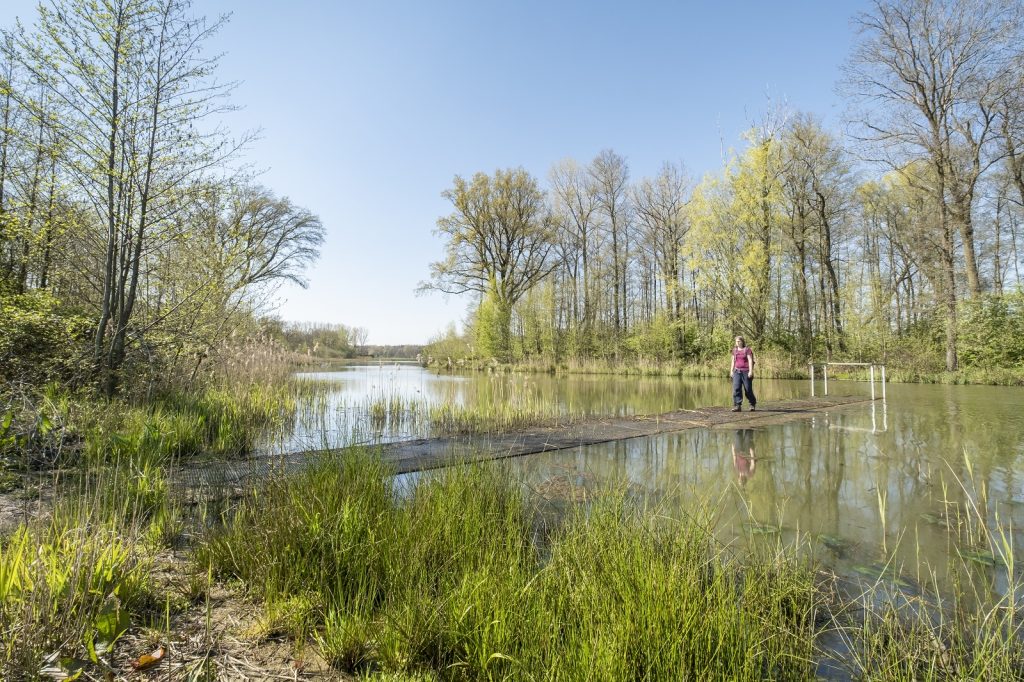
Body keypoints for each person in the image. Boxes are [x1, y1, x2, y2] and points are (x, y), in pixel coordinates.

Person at [729, 335, 756, 412]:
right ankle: (737, 406)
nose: (737, 343)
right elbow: (733, 361)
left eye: (739, 341)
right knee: (736, 388)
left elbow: (750, 360)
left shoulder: (747, 350)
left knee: (748, 389)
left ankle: (752, 404)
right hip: (737, 371)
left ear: (742, 341)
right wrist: (731, 371)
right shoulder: (734, 350)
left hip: (746, 372)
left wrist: (751, 371)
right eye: (736, 341)